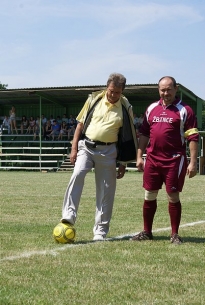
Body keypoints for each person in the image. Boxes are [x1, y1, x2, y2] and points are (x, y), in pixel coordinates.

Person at [60, 73, 138, 241]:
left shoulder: (126, 107)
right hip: (86, 147)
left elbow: (127, 136)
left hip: (108, 152)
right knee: (77, 174)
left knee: (106, 190)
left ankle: (100, 232)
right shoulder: (93, 99)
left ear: (122, 92)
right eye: (111, 91)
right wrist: (73, 148)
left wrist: (123, 162)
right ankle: (69, 215)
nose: (113, 95)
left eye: (117, 92)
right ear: (106, 87)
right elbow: (80, 125)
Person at [131, 76, 199, 245]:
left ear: (176, 89)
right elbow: (144, 134)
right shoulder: (151, 108)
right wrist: (139, 156)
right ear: (158, 90)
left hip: (174, 160)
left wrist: (192, 162)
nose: (165, 93)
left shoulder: (185, 110)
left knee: (173, 196)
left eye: (169, 89)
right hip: (153, 159)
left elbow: (193, 136)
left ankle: (174, 234)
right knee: (149, 195)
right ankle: (147, 231)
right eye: (162, 89)